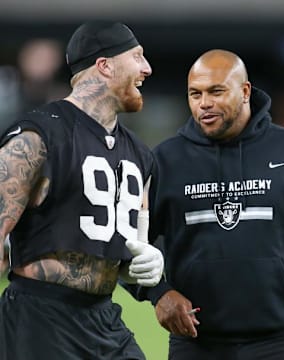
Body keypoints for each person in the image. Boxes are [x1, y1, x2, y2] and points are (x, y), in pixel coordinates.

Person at [129, 49, 284, 359]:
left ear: (245, 91)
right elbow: (126, 245)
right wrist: (158, 294)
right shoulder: (165, 161)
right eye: (194, 94)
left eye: (216, 91)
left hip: (279, 343)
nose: (204, 103)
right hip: (196, 343)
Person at [0, 21, 165, 360]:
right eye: (137, 57)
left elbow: (127, 250)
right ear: (105, 65)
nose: (147, 68)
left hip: (103, 317)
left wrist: (145, 264)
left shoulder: (139, 153)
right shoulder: (37, 137)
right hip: (40, 315)